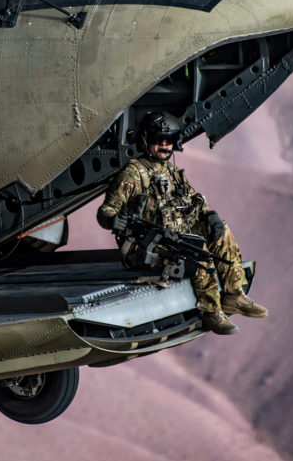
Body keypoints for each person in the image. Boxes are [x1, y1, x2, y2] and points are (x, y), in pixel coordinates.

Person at [97, 111, 267, 335]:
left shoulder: (174, 173)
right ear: (147, 140)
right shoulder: (133, 174)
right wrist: (116, 220)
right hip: (146, 247)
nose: (165, 145)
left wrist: (210, 217)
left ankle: (234, 294)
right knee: (198, 251)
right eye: (159, 140)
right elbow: (106, 211)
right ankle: (211, 312)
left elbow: (193, 204)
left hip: (178, 238)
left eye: (169, 140)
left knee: (221, 231)